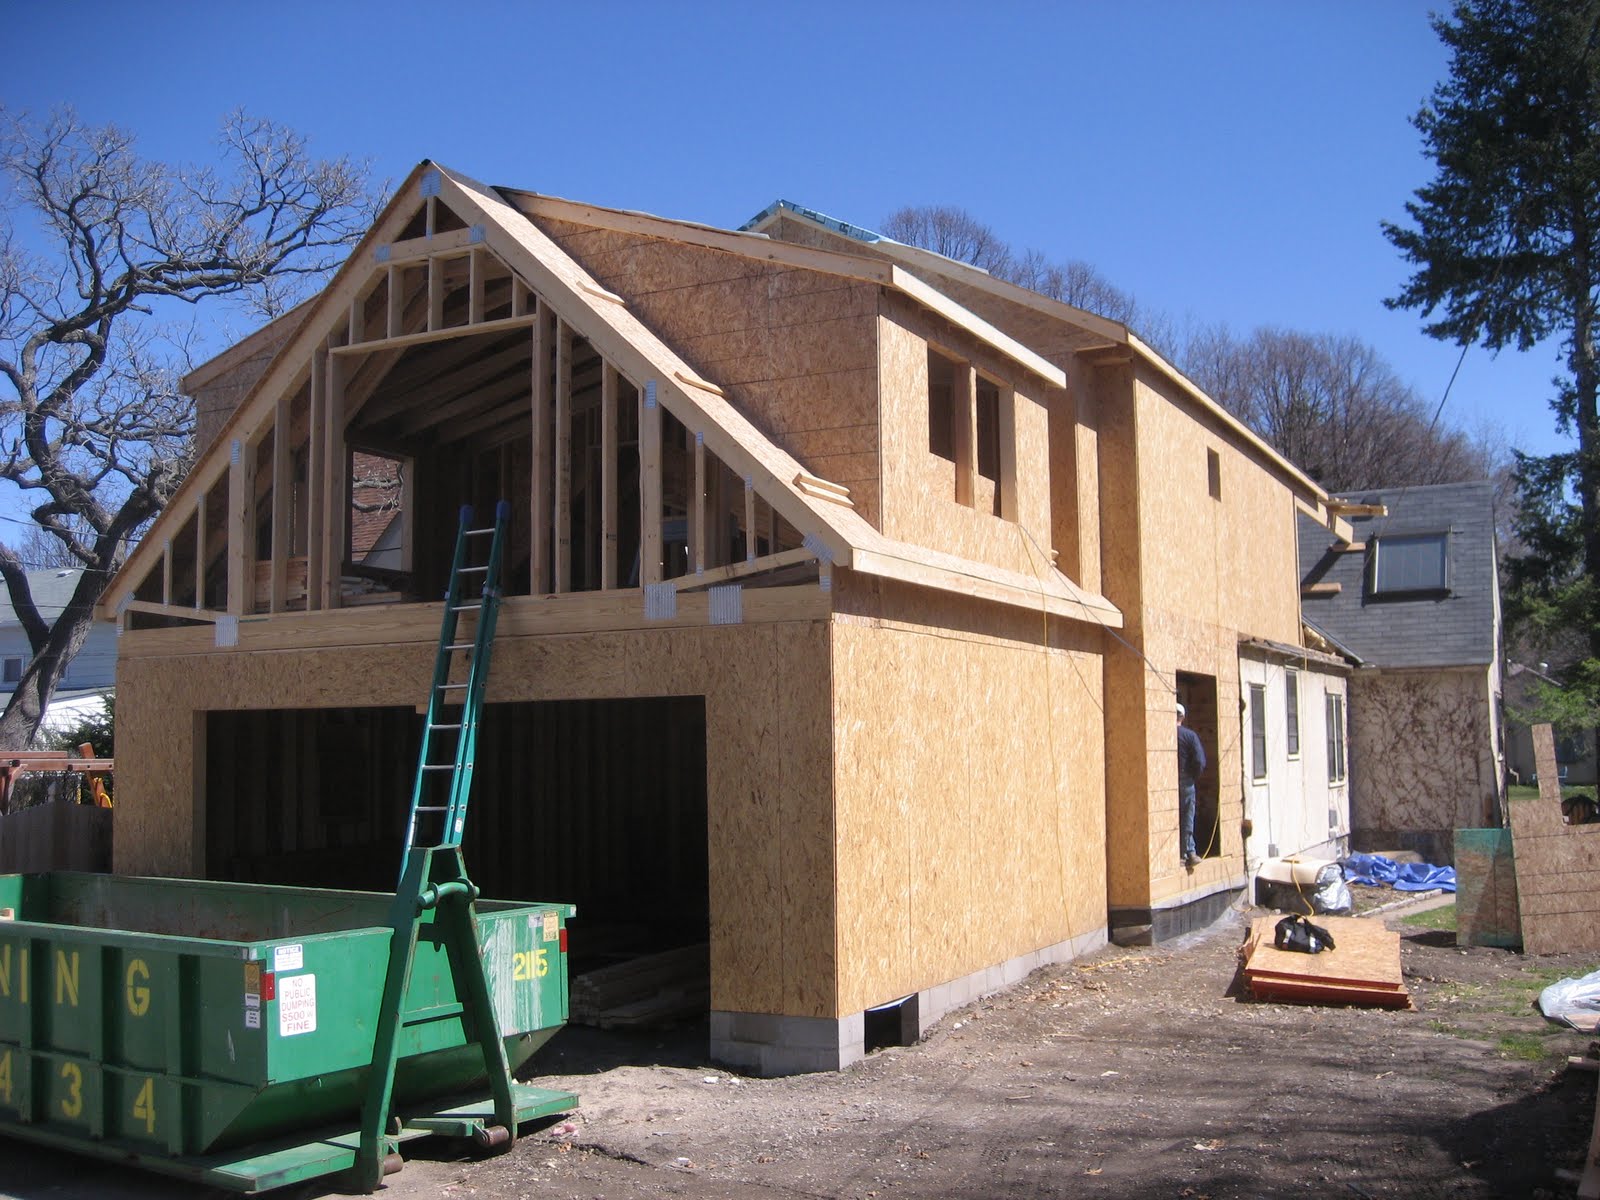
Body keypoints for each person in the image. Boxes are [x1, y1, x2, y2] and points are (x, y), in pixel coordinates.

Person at [1176, 703, 1206, 870]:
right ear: (1183, 717)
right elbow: (1200, 761)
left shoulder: (1164, 734)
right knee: (1187, 815)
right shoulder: (1189, 736)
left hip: (1167, 782)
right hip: (1186, 780)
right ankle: (1187, 853)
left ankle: (1182, 854)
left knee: (1171, 816)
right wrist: (1193, 776)